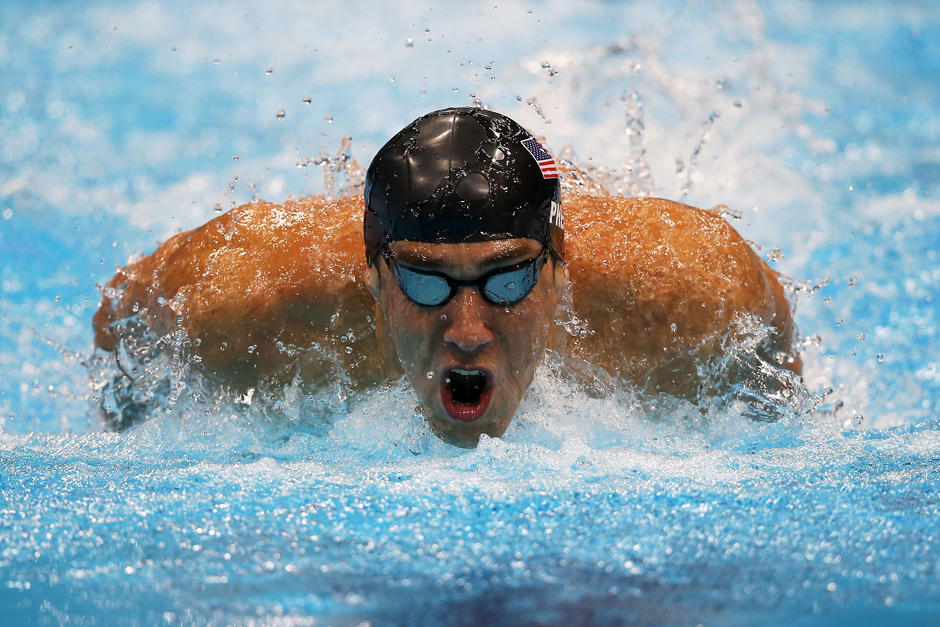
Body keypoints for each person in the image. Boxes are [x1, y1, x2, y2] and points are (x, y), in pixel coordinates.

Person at [93, 107, 801, 446]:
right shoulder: (249, 298)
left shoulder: (688, 291)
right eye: (426, 284)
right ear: (372, 275)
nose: (465, 330)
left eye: (508, 282)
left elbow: (774, 366)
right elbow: (119, 317)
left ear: (557, 269)